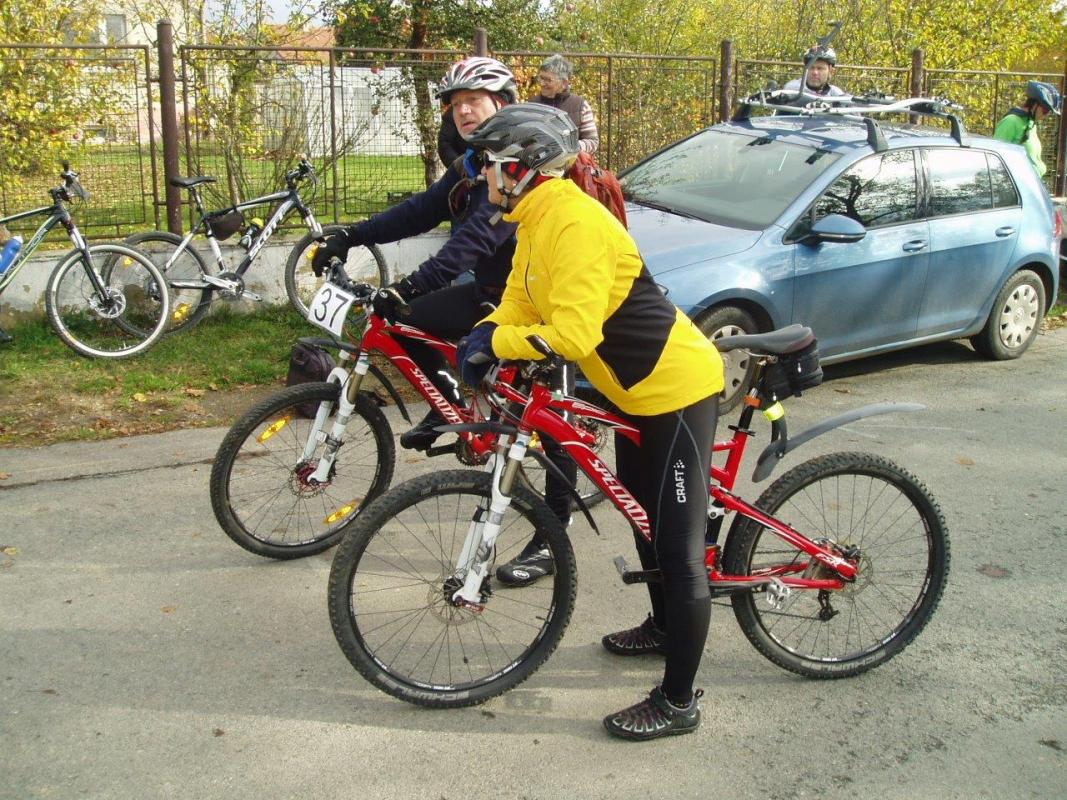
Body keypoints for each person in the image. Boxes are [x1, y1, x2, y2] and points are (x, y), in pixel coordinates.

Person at [458, 103, 725, 740]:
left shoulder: (576, 223)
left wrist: (499, 345)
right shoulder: (535, 220)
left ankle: (679, 702)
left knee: (679, 549)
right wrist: (482, 334)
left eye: (487, 164)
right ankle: (663, 627)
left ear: (520, 169)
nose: (479, 174)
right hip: (631, 393)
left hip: (677, 391)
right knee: (641, 518)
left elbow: (574, 335)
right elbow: (521, 301)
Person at [311, 57, 577, 580]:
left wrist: (409, 284)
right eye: (455, 105)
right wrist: (351, 235)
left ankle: (553, 539)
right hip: (493, 295)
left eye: (474, 101)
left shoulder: (523, 168)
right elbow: (418, 211)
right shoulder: (472, 165)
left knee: (553, 423)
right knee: (406, 321)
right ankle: (453, 401)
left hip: (545, 307)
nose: (463, 112)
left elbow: (473, 242)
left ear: (503, 104)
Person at [530, 54, 600, 154]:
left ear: (564, 83)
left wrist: (569, 148)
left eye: (548, 80)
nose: (542, 83)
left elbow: (592, 142)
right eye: (541, 78)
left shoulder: (580, 106)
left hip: (571, 163)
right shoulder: (531, 106)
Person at [993, 80, 1061, 178]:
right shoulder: (1011, 122)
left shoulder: (1031, 124)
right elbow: (995, 158)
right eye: (1045, 110)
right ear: (1034, 104)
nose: (1046, 115)